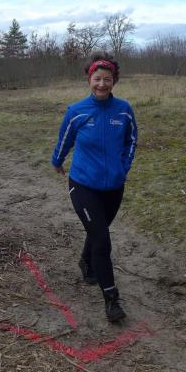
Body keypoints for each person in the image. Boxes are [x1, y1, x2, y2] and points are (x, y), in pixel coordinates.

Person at [51, 52, 138, 323]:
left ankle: (86, 261)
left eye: (107, 79)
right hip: (83, 184)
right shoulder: (76, 111)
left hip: (114, 186)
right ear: (89, 80)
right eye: (97, 78)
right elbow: (65, 140)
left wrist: (123, 167)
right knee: (102, 239)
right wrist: (57, 161)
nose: (102, 84)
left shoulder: (124, 110)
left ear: (114, 81)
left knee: (98, 230)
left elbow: (131, 141)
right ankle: (111, 299)